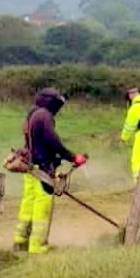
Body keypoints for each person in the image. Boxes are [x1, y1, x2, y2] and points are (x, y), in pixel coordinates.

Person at [13, 88, 87, 255]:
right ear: (52, 103)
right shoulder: (45, 116)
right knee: (42, 207)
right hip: (43, 170)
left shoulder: (32, 113)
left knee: (28, 205)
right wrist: (73, 157)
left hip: (31, 168)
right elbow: (53, 142)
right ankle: (37, 247)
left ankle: (20, 242)